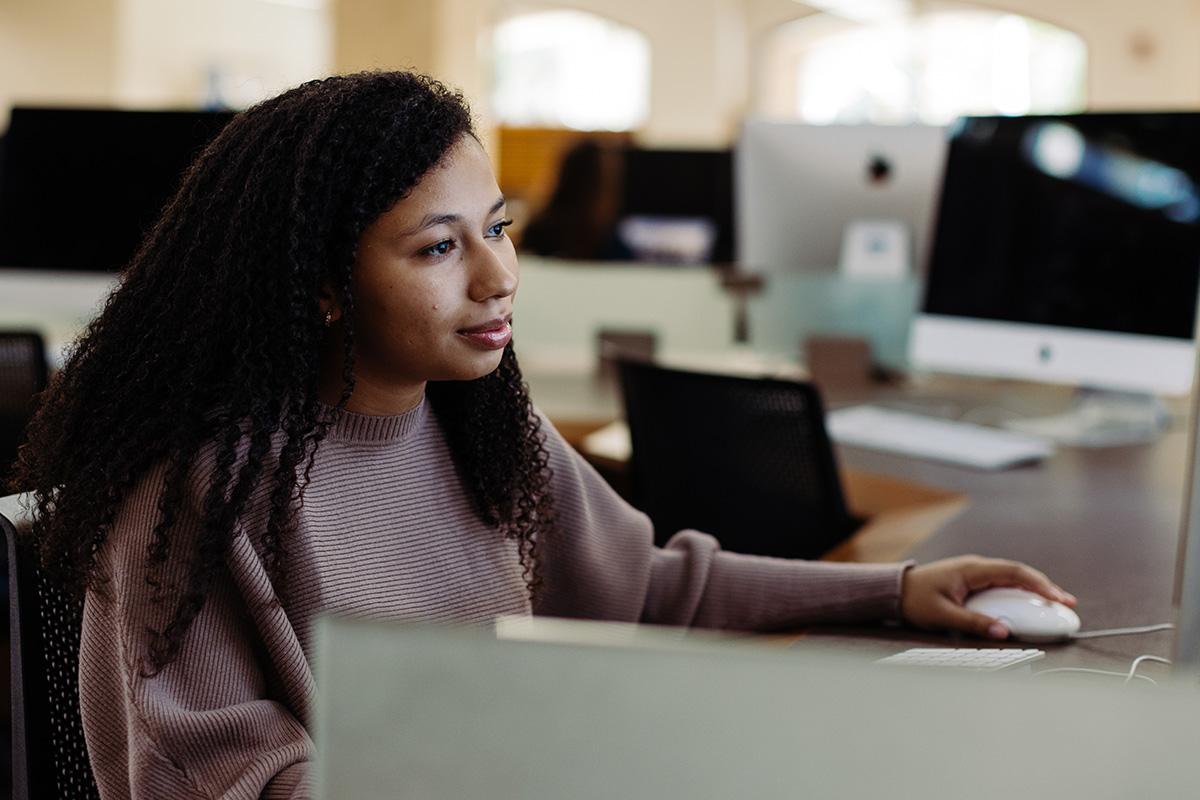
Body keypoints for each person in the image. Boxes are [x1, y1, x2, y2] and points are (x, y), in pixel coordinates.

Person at [13, 71, 1075, 799]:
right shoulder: (198, 486)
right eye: (437, 247)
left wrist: (894, 590)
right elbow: (236, 782)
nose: (497, 273)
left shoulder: (483, 422)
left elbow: (654, 589)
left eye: (499, 226)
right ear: (321, 288)